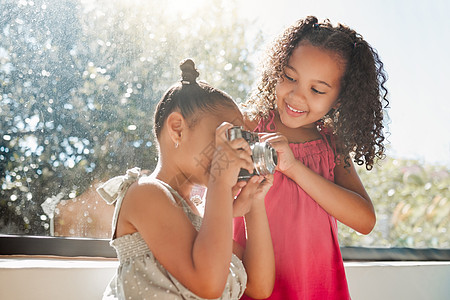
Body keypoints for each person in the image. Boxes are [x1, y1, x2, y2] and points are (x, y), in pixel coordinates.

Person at [233, 16, 389, 299]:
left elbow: (364, 220)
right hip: (250, 282)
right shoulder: (247, 124)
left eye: (317, 90)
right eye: (290, 77)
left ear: (340, 100)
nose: (296, 95)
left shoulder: (331, 143)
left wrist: (293, 167)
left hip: (313, 287)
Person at [97, 59, 275, 300]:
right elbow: (208, 285)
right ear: (177, 129)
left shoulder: (201, 216)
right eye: (226, 137)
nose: (233, 150)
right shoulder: (145, 193)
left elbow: (260, 286)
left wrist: (254, 203)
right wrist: (220, 183)